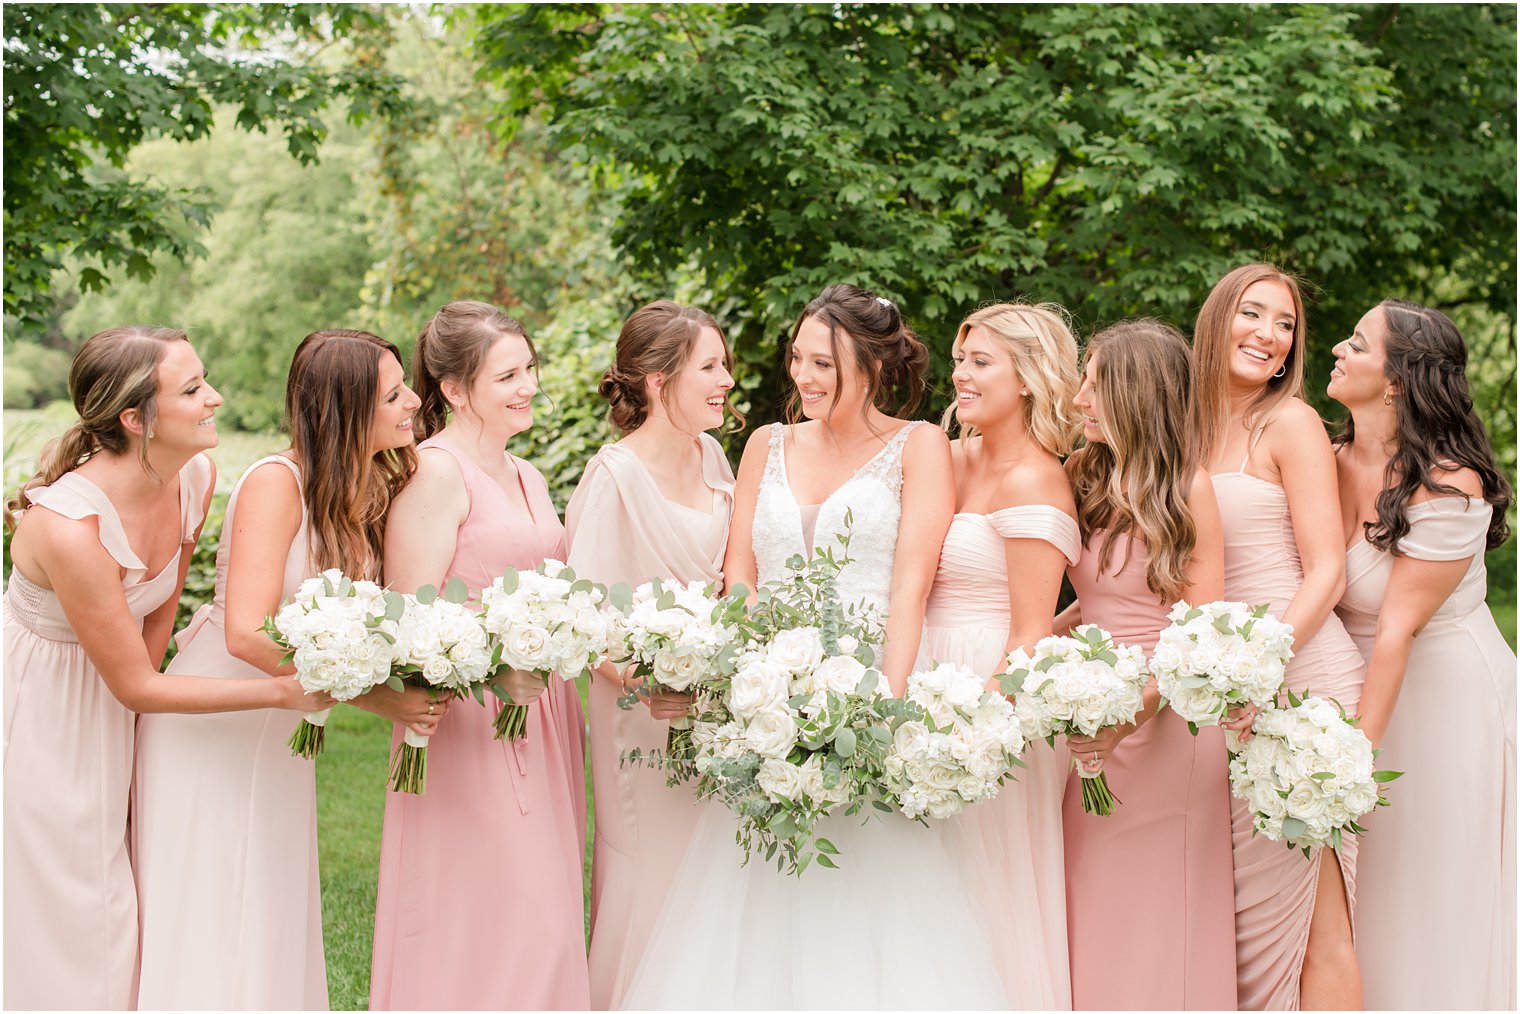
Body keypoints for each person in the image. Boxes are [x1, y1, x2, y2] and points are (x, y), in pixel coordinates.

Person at [622, 283, 1008, 1008]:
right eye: (797, 358)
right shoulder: (766, 443)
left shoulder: (919, 446)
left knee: (873, 888)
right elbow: (740, 572)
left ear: (871, 364)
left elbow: (909, 587)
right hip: (769, 693)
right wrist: (751, 675)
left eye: (823, 363)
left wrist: (882, 706)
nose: (804, 376)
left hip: (871, 685)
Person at [2, 325, 328, 1010]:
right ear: (134, 418)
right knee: (78, 907)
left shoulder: (194, 477)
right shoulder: (70, 528)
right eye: (191, 389)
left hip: (119, 694)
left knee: (132, 898)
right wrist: (283, 689)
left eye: (204, 380)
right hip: (41, 712)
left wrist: (142, 730)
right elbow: (139, 685)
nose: (214, 398)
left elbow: (155, 629)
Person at [133, 328, 444, 1009]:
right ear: (345, 408)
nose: (413, 401)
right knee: (210, 903)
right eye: (392, 394)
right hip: (214, 719)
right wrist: (374, 699)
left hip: (275, 722)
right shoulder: (277, 483)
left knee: (266, 895)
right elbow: (246, 633)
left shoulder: (357, 489)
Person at [370, 300, 588, 1010]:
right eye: (507, 376)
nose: (527, 386)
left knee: (547, 916)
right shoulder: (435, 473)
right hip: (468, 721)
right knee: (500, 916)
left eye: (529, 369)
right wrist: (497, 658)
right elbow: (408, 615)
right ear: (457, 389)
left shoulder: (529, 474)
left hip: (541, 709)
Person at [1328, 299, 1516, 1010]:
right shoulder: (1325, 454)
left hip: (1445, 700)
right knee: (1372, 887)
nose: (1338, 351)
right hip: (1360, 690)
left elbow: (1398, 628)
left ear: (1399, 380)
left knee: (1434, 887)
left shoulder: (1449, 482)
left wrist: (1349, 763)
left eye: (1357, 343)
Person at [1195, 263, 1366, 1009]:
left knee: (1314, 920)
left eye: (1286, 324)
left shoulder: (1289, 423)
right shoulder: (1179, 426)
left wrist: (1259, 668)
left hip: (1297, 683)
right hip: (1218, 691)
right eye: (1253, 314)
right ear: (1216, 319)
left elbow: (1327, 571)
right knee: (1238, 922)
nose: (1269, 335)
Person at [1057, 319, 1237, 1009]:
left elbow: (1201, 632)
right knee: (1089, 891)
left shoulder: (1189, 488)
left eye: (1096, 384)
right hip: (1085, 712)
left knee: (1162, 910)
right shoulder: (1081, 474)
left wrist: (1129, 714)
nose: (1079, 399)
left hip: (1165, 723)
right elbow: (1093, 600)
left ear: (1139, 394)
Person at [564, 301, 739, 1009]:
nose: (727, 378)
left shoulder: (714, 455)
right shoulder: (614, 478)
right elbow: (584, 615)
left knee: (716, 876)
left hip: (718, 708)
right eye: (710, 366)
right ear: (659, 381)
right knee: (653, 874)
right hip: (644, 712)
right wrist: (651, 678)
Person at [920, 301, 1082, 1009]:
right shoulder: (948, 457)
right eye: (960, 360)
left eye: (980, 362)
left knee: (986, 886)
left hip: (993, 701)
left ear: (1028, 378)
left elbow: (1030, 631)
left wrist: (972, 730)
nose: (961, 374)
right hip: (920, 672)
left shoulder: (1037, 478)